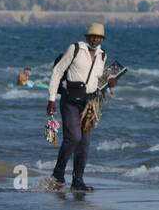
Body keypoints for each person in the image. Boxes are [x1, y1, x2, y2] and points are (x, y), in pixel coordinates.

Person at [46, 22, 118, 191]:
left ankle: (77, 181)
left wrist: (110, 82)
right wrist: (51, 100)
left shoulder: (102, 55)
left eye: (98, 37)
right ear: (87, 37)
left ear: (102, 39)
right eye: (92, 36)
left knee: (85, 144)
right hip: (70, 100)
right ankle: (58, 173)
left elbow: (98, 81)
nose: (95, 39)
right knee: (73, 138)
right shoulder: (75, 49)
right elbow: (57, 71)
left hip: (90, 103)